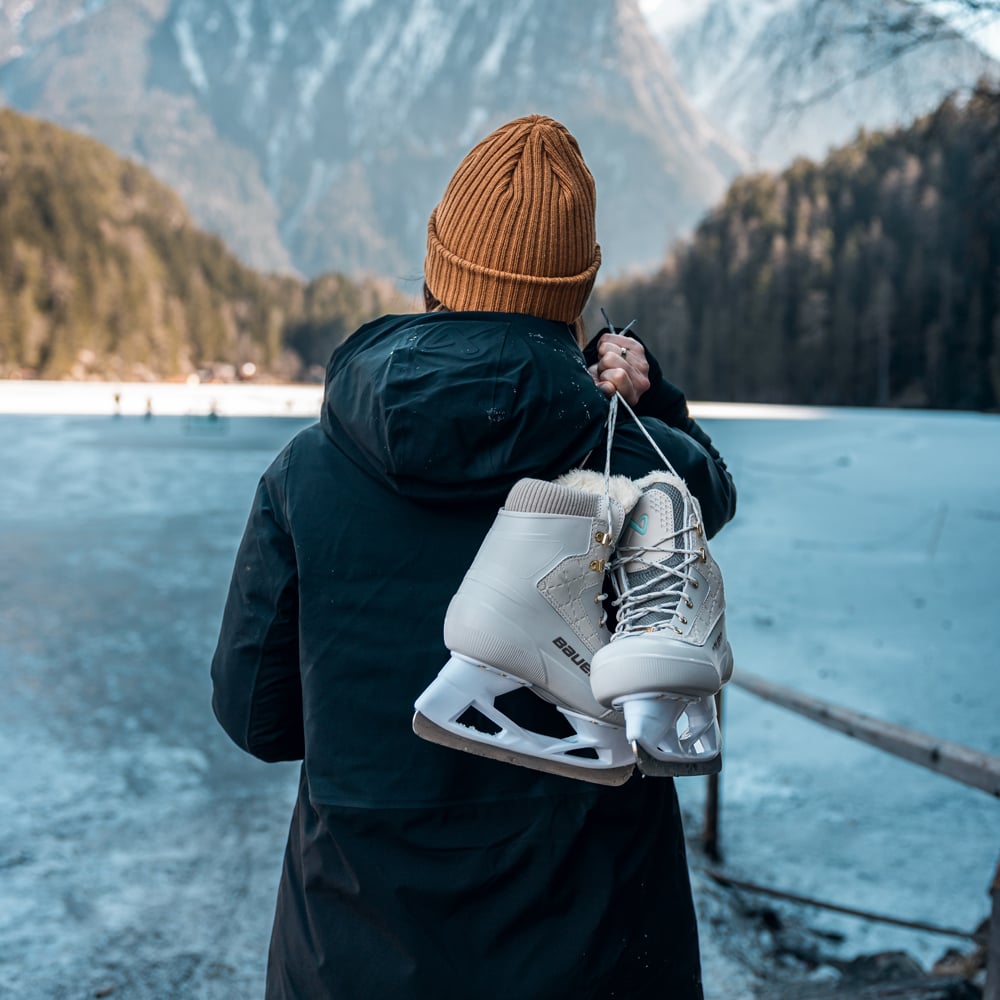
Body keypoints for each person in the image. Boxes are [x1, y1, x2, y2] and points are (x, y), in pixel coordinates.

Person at [211, 114, 736, 999]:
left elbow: (259, 722)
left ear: (435, 267)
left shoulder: (308, 469)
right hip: (601, 956)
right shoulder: (634, 457)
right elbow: (709, 494)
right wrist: (657, 401)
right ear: (578, 295)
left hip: (355, 954)